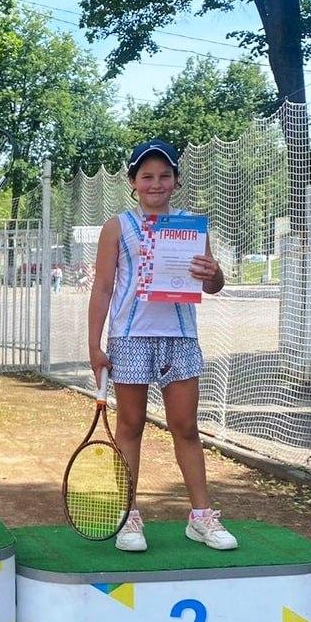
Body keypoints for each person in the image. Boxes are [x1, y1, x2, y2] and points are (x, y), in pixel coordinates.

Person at [87, 138, 238, 552]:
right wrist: (94, 345)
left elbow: (213, 284)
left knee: (186, 427)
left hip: (180, 337)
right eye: (147, 176)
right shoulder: (117, 226)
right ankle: (128, 515)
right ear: (133, 182)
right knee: (130, 426)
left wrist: (214, 273)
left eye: (164, 175)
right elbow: (102, 288)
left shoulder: (191, 226)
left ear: (176, 180)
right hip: (130, 337)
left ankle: (201, 516)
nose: (156, 183)